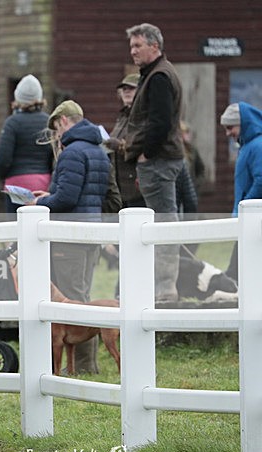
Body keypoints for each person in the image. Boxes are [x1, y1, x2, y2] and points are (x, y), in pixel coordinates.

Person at [27, 100, 110, 374]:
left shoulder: (72, 152)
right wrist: (48, 197)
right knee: (83, 295)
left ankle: (84, 366)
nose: (56, 136)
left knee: (71, 300)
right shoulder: (97, 149)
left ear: (63, 121)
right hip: (91, 233)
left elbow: (66, 198)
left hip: (70, 236)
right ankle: (85, 363)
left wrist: (39, 204)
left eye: (55, 129)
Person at [123, 23, 185, 303]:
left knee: (162, 223)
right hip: (157, 159)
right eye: (132, 45)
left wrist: (146, 152)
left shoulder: (159, 77)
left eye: (138, 46)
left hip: (158, 160)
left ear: (155, 46)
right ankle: (158, 287)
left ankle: (165, 290)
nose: (133, 51)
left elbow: (160, 122)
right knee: (158, 221)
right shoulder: (156, 74)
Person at [0, 74, 54, 214]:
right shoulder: (49, 122)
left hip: (16, 185)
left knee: (15, 230)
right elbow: (53, 155)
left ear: (18, 97)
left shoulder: (12, 123)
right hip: (43, 182)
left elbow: (3, 157)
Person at [222, 103, 262, 282]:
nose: (228, 133)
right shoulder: (247, 146)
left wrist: (245, 206)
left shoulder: (257, 146)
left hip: (252, 217)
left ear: (244, 124)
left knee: (237, 270)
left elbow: (261, 180)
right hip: (247, 217)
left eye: (230, 127)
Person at [105, 73, 145, 208]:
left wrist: (118, 145)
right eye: (124, 89)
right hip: (120, 186)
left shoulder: (142, 115)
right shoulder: (122, 116)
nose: (126, 91)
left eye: (131, 88)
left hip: (136, 186)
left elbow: (142, 145)